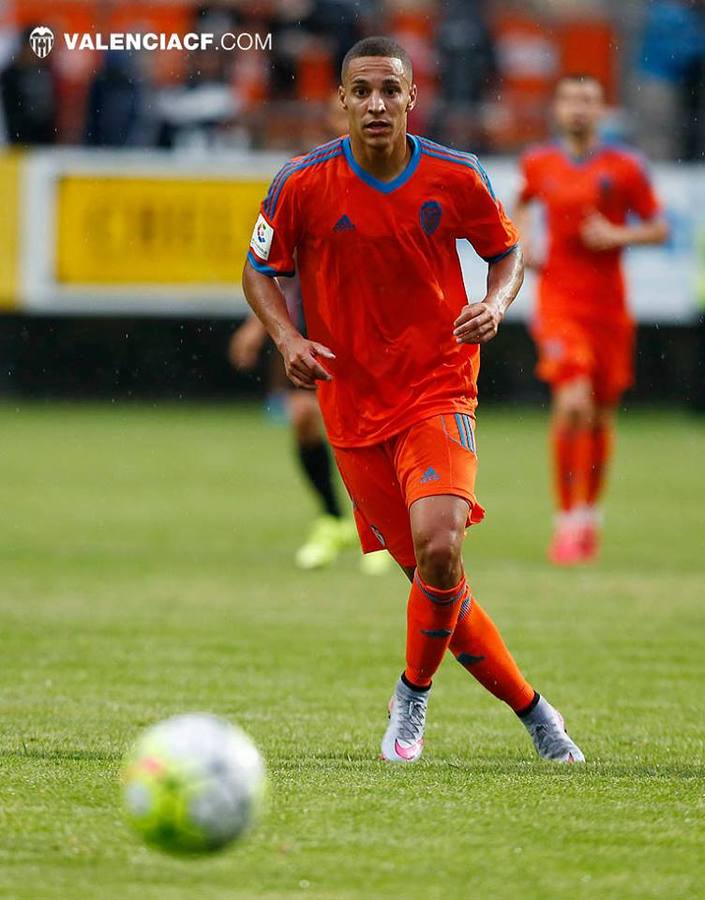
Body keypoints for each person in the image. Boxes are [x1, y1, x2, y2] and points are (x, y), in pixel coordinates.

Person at [243, 36, 584, 764]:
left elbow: (507, 250)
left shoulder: (455, 176)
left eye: (389, 91)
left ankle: (411, 695)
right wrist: (284, 338)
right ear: (340, 99)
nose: (375, 104)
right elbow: (258, 269)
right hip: (351, 405)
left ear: (409, 98)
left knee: (440, 544)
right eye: (361, 90)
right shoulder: (301, 183)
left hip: (438, 386)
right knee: (439, 584)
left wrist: (495, 302)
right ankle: (534, 711)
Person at [515, 75, 669, 565]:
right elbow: (521, 201)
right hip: (559, 303)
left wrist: (618, 235)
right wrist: (525, 242)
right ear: (557, 109)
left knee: (599, 414)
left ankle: (588, 517)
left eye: (587, 101)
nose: (578, 109)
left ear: (601, 110)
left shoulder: (625, 167)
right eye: (569, 100)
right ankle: (566, 522)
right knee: (573, 400)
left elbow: (660, 226)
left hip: (608, 310)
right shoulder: (539, 163)